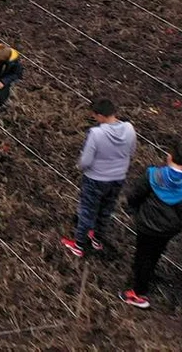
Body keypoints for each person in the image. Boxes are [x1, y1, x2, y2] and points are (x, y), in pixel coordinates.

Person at [120, 142, 182, 309]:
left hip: (147, 224)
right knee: (156, 252)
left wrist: (135, 211)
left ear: (169, 156)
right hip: (169, 229)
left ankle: (139, 294)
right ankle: (148, 274)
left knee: (142, 256)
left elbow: (135, 195)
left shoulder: (153, 175)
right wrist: (181, 225)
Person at [60, 98, 137, 257]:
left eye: (95, 116)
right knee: (106, 209)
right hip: (118, 178)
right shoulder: (129, 129)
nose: (95, 119)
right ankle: (97, 239)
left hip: (96, 179)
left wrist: (79, 166)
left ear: (101, 116)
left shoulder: (97, 133)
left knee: (87, 210)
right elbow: (131, 152)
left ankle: (79, 245)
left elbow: (86, 161)